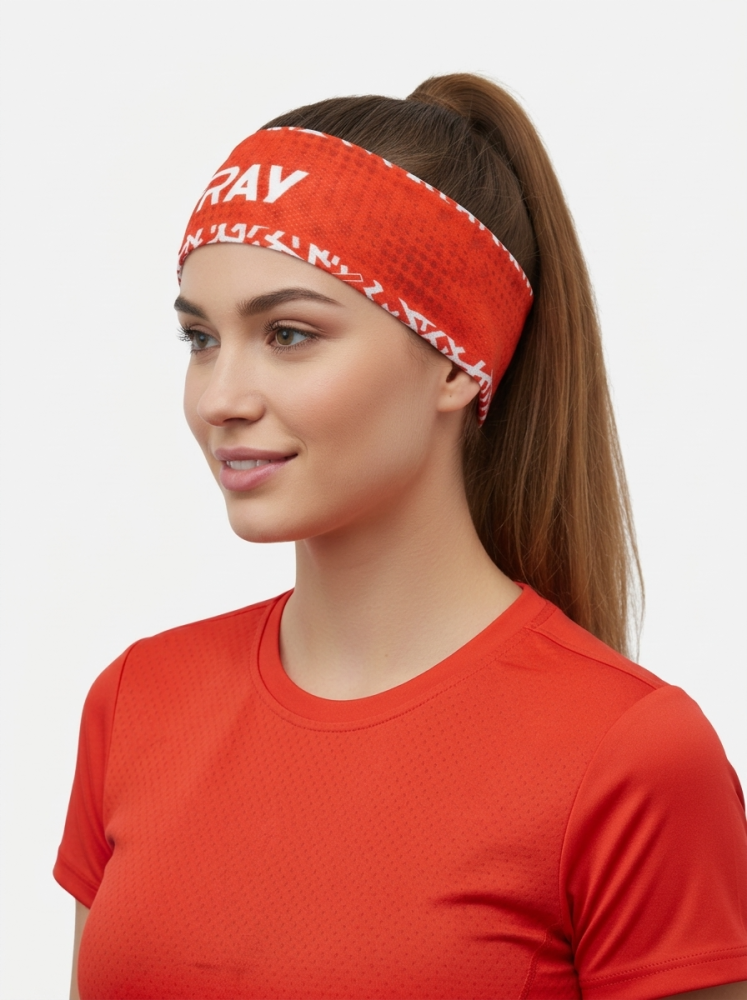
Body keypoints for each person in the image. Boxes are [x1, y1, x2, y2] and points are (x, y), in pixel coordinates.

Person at [54, 74, 747, 1000]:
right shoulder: (137, 703)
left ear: (457, 359)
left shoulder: (631, 755)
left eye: (288, 334)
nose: (220, 398)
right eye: (200, 339)